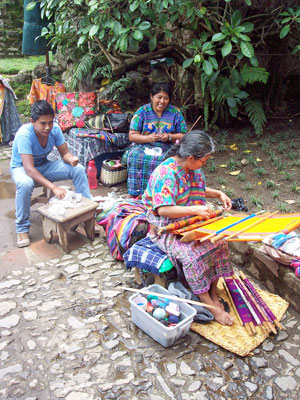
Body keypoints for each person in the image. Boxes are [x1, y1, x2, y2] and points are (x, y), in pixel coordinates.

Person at [142, 131, 234, 325]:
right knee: (192, 254)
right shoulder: (165, 173)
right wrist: (194, 210)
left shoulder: (192, 169)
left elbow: (196, 189)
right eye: (203, 160)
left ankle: (213, 292)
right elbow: (164, 209)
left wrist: (219, 194)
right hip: (166, 228)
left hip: (190, 220)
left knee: (219, 242)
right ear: (191, 158)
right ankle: (207, 302)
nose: (204, 164)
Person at [10, 100, 91, 248]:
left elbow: (64, 153)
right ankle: (22, 228)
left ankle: (87, 214)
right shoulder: (24, 134)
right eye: (42, 123)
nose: (47, 127)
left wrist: (71, 159)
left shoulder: (55, 130)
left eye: (50, 122)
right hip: (22, 169)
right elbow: (29, 170)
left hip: (44, 166)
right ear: (32, 122)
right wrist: (54, 188)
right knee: (26, 183)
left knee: (78, 168)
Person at [126, 82, 187, 196]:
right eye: (159, 97)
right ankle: (137, 192)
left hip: (169, 146)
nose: (162, 101)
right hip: (144, 145)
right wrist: (148, 138)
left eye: (166, 98)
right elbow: (132, 135)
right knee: (134, 156)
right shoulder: (142, 111)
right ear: (151, 97)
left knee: (166, 159)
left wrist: (170, 137)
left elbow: (183, 136)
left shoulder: (175, 113)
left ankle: (161, 192)